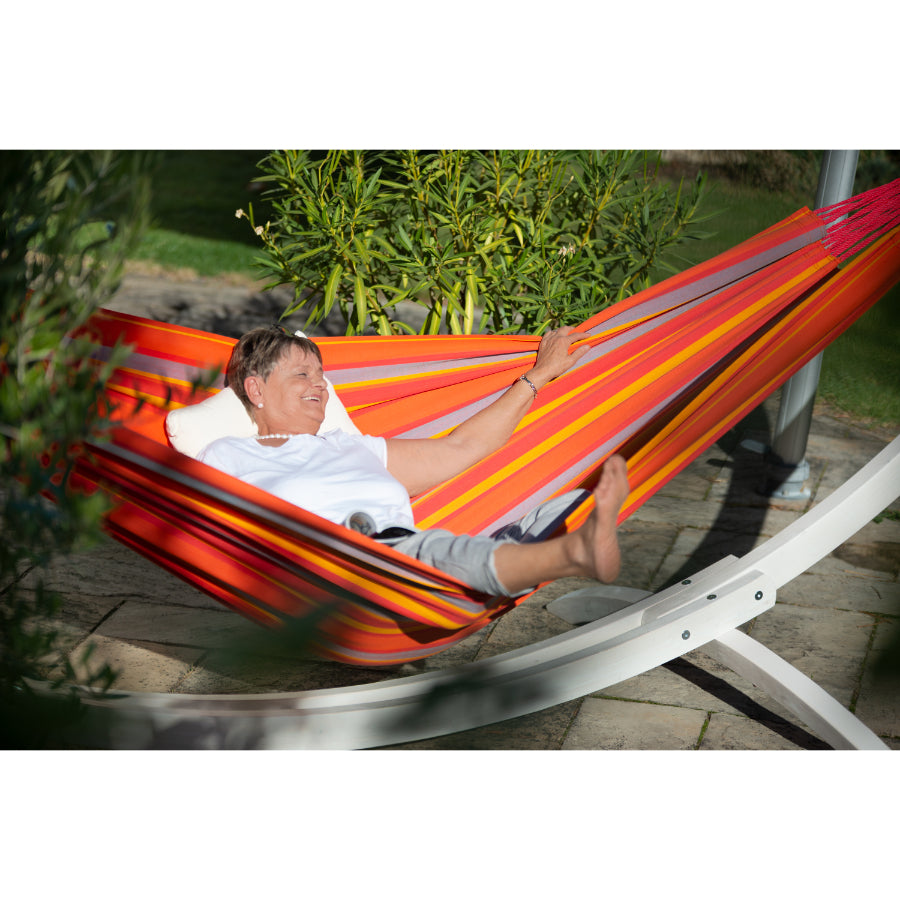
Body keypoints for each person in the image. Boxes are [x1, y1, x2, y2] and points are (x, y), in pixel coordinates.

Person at [198, 325, 630, 598]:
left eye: (321, 375)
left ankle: (552, 547)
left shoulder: (350, 446)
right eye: (302, 375)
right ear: (256, 390)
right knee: (433, 551)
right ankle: (574, 553)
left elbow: (463, 447)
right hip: (338, 574)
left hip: (407, 563)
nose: (321, 386)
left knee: (573, 504)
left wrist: (539, 375)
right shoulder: (228, 454)